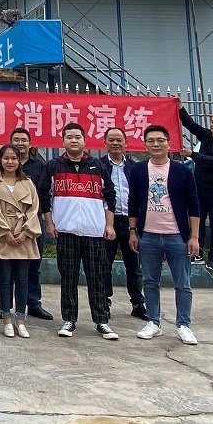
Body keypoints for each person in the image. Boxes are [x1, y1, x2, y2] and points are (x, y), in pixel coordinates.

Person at [40, 123, 118, 340]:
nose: (73, 140)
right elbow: (44, 196)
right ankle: (69, 319)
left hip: (94, 231)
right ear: (62, 141)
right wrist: (50, 223)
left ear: (85, 140)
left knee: (97, 277)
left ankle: (101, 321)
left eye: (77, 137)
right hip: (66, 231)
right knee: (68, 276)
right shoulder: (54, 166)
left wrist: (109, 225)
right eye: (69, 137)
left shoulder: (98, 166)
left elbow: (110, 197)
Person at [128, 125, 201, 345]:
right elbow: (133, 202)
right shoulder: (138, 170)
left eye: (160, 140)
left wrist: (194, 237)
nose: (156, 144)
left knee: (182, 283)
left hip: (177, 236)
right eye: (151, 140)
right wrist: (133, 231)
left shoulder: (182, 171)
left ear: (169, 144)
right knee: (150, 281)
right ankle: (153, 322)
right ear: (145, 145)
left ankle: (183, 324)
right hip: (148, 235)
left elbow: (193, 204)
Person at [0, 144, 41, 339]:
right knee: (4, 277)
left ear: (19, 161)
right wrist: (5, 232)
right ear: (0, 160)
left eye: (14, 158)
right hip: (3, 235)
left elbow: (34, 210)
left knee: (23, 279)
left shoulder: (27, 182)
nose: (10, 162)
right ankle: (7, 319)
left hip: (24, 235)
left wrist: (26, 232)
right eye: (6, 158)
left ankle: (21, 319)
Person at [96, 127, 149, 321]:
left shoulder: (135, 167)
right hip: (107, 221)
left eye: (119, 140)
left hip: (131, 221)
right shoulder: (98, 166)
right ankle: (104, 303)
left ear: (126, 143)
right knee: (104, 265)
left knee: (134, 266)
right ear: (105, 143)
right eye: (111, 140)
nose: (115, 143)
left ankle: (138, 304)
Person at [178, 101, 213, 271]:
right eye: (212, 122)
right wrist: (180, 108)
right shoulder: (205, 136)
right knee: (198, 221)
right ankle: (198, 254)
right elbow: (190, 125)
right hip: (199, 187)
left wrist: (193, 155)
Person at [10, 127, 54, 321]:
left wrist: (44, 219)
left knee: (34, 265)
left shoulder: (40, 166)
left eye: (23, 140)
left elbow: (44, 194)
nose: (20, 143)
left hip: (34, 222)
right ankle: (5, 304)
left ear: (30, 144)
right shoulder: (4, 164)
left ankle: (33, 304)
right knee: (8, 266)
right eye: (16, 140)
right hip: (9, 223)